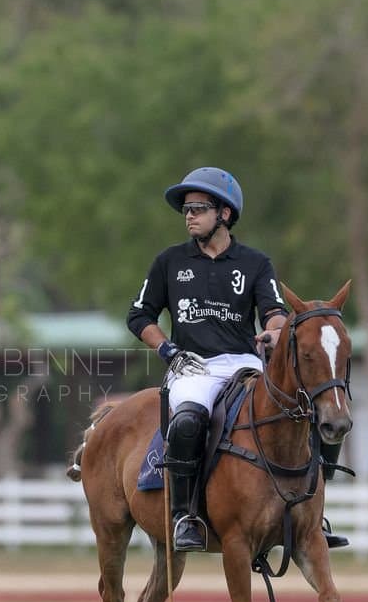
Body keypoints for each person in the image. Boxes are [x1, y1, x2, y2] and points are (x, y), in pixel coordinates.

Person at [126, 166, 348, 552]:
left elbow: (274, 311)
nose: (189, 215)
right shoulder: (170, 262)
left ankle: (315, 511)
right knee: (187, 421)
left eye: (198, 207)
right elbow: (139, 315)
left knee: (310, 411)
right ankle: (184, 517)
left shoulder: (255, 263)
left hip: (244, 364)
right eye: (186, 209)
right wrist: (167, 349)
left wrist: (276, 331)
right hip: (192, 365)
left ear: (224, 214)